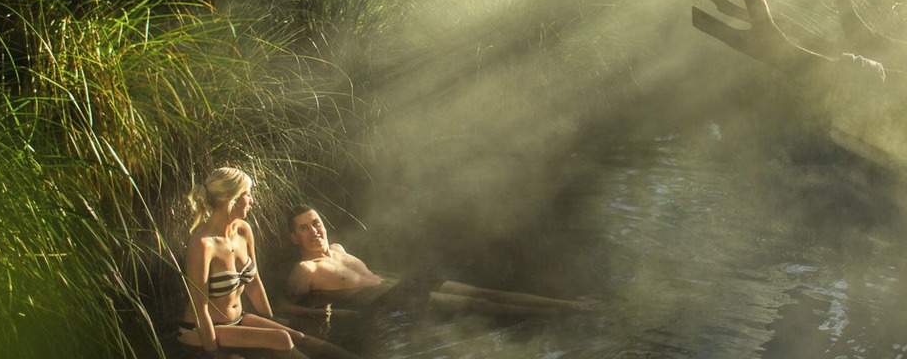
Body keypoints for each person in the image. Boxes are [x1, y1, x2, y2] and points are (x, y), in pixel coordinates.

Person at [282, 205, 595, 318]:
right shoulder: (304, 270)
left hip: (403, 283)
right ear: (294, 239)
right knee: (482, 306)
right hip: (394, 299)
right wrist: (336, 315)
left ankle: (569, 306)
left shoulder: (338, 248)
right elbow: (287, 306)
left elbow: (370, 274)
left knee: (485, 293)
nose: (314, 231)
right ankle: (561, 315)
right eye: (304, 227)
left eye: (316, 222)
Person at [178, 168, 358, 359]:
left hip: (238, 320)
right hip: (200, 332)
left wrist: (269, 320)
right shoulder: (202, 245)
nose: (252, 201)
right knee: (281, 340)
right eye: (248, 194)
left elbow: (254, 284)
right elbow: (200, 309)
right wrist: (214, 354)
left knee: (299, 337)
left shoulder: (243, 230)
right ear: (230, 198)